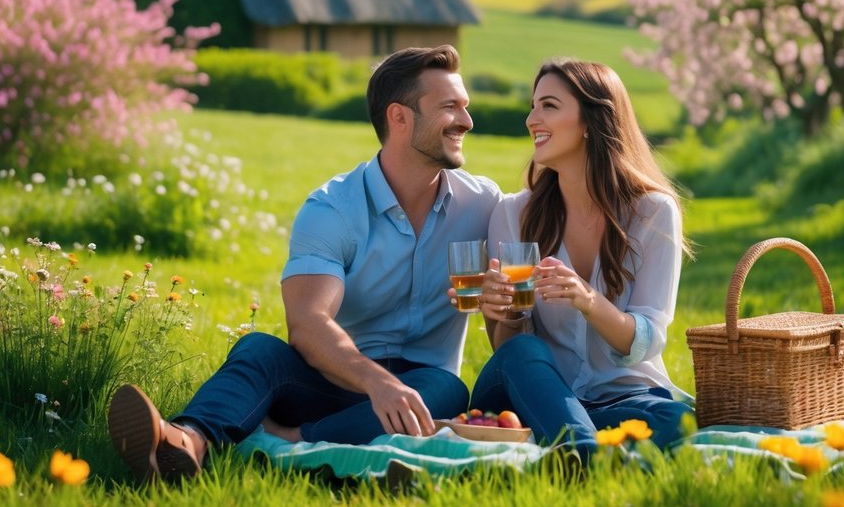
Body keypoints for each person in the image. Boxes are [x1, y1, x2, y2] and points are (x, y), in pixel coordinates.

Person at [108, 45, 502, 481]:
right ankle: (185, 441)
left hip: (421, 388)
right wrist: (376, 382)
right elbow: (309, 324)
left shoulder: (483, 204)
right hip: (334, 380)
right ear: (400, 117)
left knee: (446, 389)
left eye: (465, 106)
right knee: (259, 350)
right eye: (450, 107)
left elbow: (543, 209)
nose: (467, 121)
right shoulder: (332, 209)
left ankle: (286, 439)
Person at [464, 58, 693, 460]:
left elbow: (647, 341)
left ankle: (569, 442)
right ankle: (586, 454)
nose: (532, 119)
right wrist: (503, 312)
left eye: (549, 106)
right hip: (536, 392)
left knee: (677, 420)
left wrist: (588, 300)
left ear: (591, 122)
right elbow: (509, 348)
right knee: (523, 353)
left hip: (625, 397)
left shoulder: (653, 213)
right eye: (533, 106)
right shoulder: (513, 214)